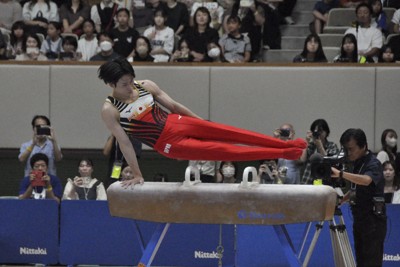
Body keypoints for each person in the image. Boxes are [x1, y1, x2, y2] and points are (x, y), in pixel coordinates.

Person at [98, 58, 307, 185]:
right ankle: (284, 153)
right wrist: (137, 174)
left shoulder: (145, 85)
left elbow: (174, 106)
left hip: (178, 121)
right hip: (168, 144)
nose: (130, 87)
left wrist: (205, 126)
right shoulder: (110, 110)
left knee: (231, 133)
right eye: (124, 84)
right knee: (226, 151)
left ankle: (287, 145)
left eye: (131, 80)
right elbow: (125, 144)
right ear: (110, 84)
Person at [331, 128, 386, 267]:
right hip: (360, 220)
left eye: (351, 149)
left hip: (373, 221)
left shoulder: (373, 163)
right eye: (346, 149)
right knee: (361, 261)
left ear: (364, 146)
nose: (348, 153)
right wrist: (342, 199)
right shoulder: (357, 162)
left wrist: (341, 174)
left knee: (371, 262)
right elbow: (356, 187)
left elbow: (366, 180)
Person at [300, 119, 339, 184]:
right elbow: (302, 160)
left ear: (326, 132)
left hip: (325, 182)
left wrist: (320, 146)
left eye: (320, 131)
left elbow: (330, 162)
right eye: (315, 131)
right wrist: (306, 142)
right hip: (308, 181)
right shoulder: (311, 145)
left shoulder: (332, 145)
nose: (318, 134)